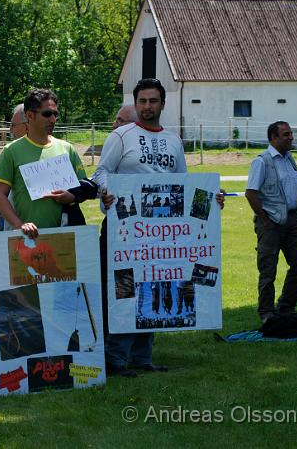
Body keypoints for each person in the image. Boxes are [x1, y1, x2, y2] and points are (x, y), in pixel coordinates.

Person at [94, 78, 224, 377]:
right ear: (136, 102)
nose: (147, 106)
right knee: (124, 290)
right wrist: (106, 190)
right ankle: (114, 358)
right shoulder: (122, 136)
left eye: (153, 101)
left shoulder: (174, 141)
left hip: (164, 237)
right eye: (142, 101)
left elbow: (185, 184)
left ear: (162, 104)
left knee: (156, 286)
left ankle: (142, 358)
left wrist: (209, 200)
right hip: (126, 232)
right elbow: (102, 171)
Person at [0, 89, 93, 239]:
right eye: (47, 114)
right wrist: (20, 225)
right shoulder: (11, 151)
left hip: (64, 236)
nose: (53, 119)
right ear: (30, 116)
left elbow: (84, 188)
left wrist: (71, 197)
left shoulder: (67, 148)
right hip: (27, 238)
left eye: (55, 114)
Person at [245, 121, 297, 323]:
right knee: (268, 271)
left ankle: (285, 307)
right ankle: (266, 313)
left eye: (290, 133)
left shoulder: (289, 159)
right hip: (271, 223)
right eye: (286, 134)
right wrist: (264, 218)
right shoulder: (262, 161)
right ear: (273, 138)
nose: (291, 137)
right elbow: (251, 193)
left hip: (293, 219)